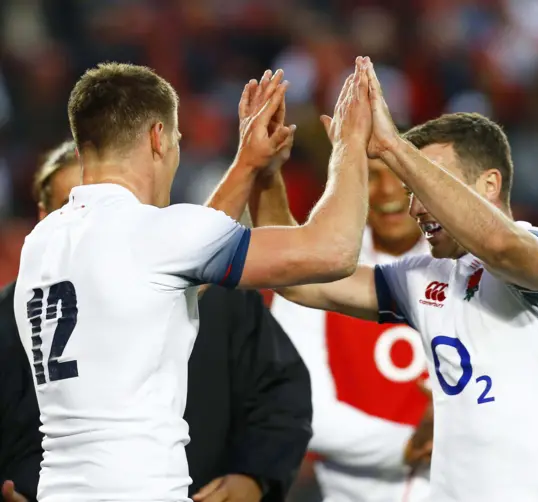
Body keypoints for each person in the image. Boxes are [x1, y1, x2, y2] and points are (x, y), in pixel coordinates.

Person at [12, 57, 372, 502]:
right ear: (158, 138)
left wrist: (246, 164)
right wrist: (351, 145)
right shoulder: (153, 235)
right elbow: (333, 251)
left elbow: (167, 277)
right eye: (178, 138)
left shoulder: (42, 241)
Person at [250, 63, 538, 502]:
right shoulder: (425, 280)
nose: (414, 207)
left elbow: (499, 244)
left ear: (490, 184)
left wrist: (393, 146)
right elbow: (299, 279)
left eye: (424, 183)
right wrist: (268, 173)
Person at [0, 138, 313, 502]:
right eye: (73, 208)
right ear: (43, 218)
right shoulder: (8, 318)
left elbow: (281, 396)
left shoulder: (223, 302)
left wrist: (255, 477)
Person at [270, 154, 433, 501]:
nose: (388, 190)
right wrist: (406, 446)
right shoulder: (315, 272)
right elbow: (299, 404)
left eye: (402, 177)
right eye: (372, 176)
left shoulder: (470, 270)